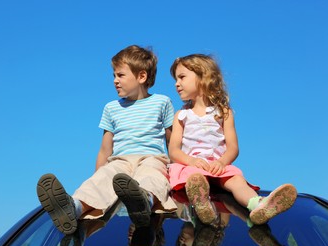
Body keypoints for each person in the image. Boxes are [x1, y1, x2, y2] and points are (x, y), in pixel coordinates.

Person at [36, 45, 177, 235]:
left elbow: (172, 141)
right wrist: (97, 177)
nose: (115, 81)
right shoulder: (111, 108)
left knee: (151, 176)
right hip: (120, 161)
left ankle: (144, 202)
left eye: (120, 75)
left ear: (141, 76)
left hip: (151, 157)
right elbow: (105, 149)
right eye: (113, 76)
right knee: (103, 179)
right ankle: (73, 208)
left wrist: (177, 174)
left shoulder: (162, 102)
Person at [167, 54, 297, 226]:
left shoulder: (223, 113)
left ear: (203, 77)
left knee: (237, 181)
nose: (177, 83)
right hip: (193, 168)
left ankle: (259, 205)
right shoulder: (181, 116)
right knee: (196, 180)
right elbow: (174, 151)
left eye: (182, 77)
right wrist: (192, 161)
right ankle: (203, 207)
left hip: (218, 167)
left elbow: (233, 147)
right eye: (176, 79)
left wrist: (222, 162)